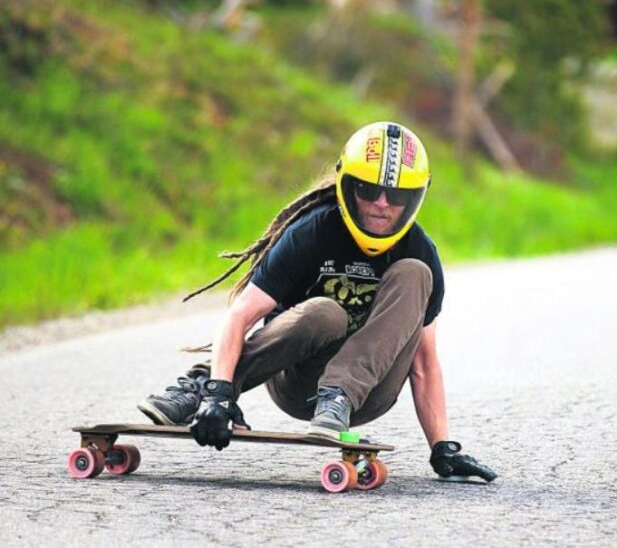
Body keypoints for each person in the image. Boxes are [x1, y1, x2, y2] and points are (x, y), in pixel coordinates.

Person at [137, 121, 497, 483]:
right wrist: (218, 393)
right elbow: (239, 316)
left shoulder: (420, 250)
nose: (382, 204)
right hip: (295, 380)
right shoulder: (312, 231)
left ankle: (338, 394)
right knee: (326, 312)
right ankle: (198, 387)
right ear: (348, 184)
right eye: (369, 190)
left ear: (417, 197)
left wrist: (442, 447)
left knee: (416, 272)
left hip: (364, 394)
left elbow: (423, 361)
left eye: (397, 195)